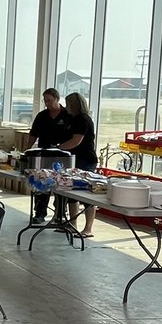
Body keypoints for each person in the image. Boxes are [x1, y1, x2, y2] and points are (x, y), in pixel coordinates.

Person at [26, 87, 73, 225]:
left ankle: (60, 214)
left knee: (60, 184)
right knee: (41, 184)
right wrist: (27, 150)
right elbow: (33, 134)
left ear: (57, 99)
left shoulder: (67, 115)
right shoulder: (42, 116)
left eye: (50, 100)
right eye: (45, 101)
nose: (47, 103)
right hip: (44, 154)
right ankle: (39, 213)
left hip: (62, 156)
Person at [59, 91, 98, 237]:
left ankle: (88, 228)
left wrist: (58, 148)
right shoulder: (73, 119)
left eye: (68, 104)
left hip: (85, 160)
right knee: (72, 194)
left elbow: (76, 141)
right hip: (75, 159)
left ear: (73, 105)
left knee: (87, 194)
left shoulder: (83, 119)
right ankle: (73, 223)